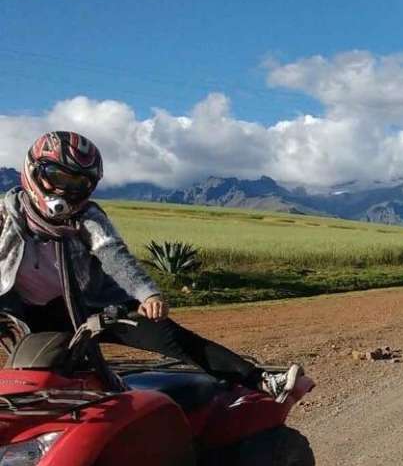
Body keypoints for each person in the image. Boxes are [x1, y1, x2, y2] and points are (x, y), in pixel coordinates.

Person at [0, 131, 302, 401]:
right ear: (34, 171)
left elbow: (114, 256)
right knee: (38, 375)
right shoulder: (4, 217)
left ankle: (259, 380)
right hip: (26, 313)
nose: (65, 191)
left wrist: (147, 294)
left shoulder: (88, 219)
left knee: (173, 338)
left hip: (96, 307)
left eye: (77, 183)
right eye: (58, 177)